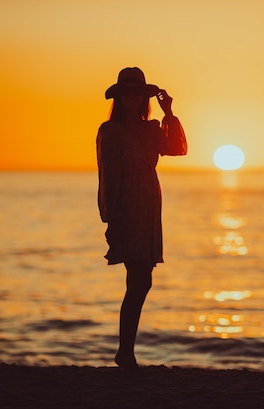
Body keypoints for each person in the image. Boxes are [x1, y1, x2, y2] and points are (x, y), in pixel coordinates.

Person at [96, 67, 187, 372]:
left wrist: (169, 112)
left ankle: (126, 352)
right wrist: (112, 219)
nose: (133, 97)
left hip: (149, 204)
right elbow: (108, 176)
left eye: (138, 92)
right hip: (127, 206)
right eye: (127, 92)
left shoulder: (151, 130)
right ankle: (125, 353)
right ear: (120, 97)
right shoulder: (110, 132)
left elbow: (178, 148)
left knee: (141, 279)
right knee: (138, 279)